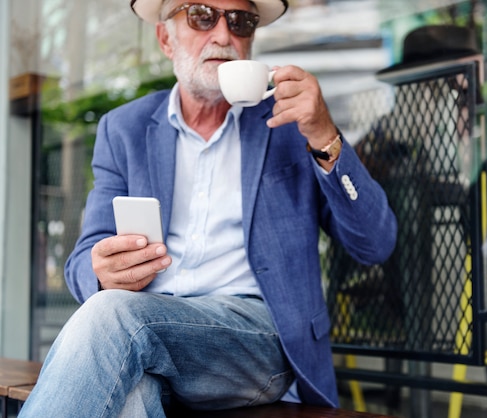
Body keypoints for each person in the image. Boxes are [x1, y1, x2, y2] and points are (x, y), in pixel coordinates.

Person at [18, 0, 397, 417]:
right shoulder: (124, 128)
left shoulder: (293, 125)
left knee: (114, 317)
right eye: (202, 15)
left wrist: (325, 134)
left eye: (240, 21)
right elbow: (83, 261)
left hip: (255, 341)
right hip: (147, 330)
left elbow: (375, 244)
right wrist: (101, 272)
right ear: (165, 38)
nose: (223, 35)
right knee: (131, 395)